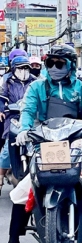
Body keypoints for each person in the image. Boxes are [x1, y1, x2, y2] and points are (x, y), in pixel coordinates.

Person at [1, 44, 82, 243]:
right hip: (44, 145)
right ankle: (13, 242)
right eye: (51, 63)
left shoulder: (81, 88)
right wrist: (25, 130)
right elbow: (28, 110)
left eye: (60, 63)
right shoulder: (37, 87)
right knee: (26, 189)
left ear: (71, 65)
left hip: (75, 143)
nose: (54, 67)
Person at [0, 56, 37, 196]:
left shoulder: (35, 82)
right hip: (13, 117)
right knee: (6, 151)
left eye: (26, 67)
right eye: (20, 68)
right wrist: (1, 110)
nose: (24, 70)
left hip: (31, 118)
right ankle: (0, 179)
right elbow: (1, 99)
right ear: (14, 68)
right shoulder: (7, 82)